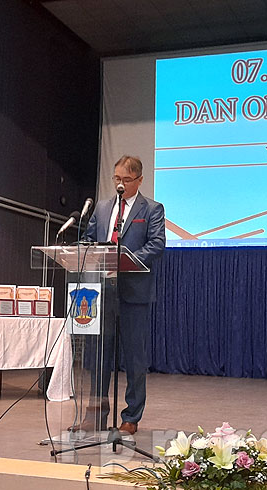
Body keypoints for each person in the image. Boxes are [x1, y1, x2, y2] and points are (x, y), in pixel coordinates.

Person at [83, 155, 165, 436]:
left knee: (134, 358)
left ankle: (131, 417)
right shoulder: (102, 207)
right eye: (117, 178)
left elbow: (157, 244)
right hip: (101, 291)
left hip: (134, 292)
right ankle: (95, 414)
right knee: (98, 357)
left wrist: (126, 260)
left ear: (139, 180)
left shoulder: (151, 209)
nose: (120, 184)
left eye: (126, 180)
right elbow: (89, 240)